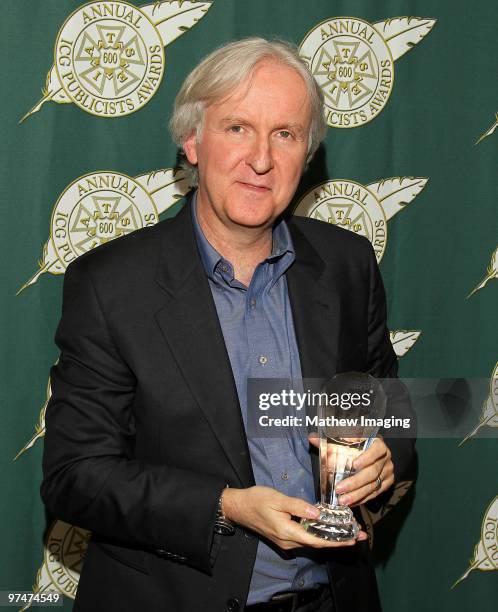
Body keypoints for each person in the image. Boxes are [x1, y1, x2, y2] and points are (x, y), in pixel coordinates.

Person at [41, 38, 415, 612]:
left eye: (285, 134)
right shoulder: (111, 285)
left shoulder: (348, 264)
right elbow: (76, 476)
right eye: (238, 127)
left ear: (307, 153)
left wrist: (387, 453)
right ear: (192, 141)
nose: (261, 159)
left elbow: (392, 411)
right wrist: (226, 505)